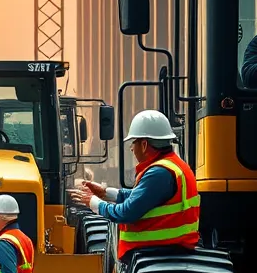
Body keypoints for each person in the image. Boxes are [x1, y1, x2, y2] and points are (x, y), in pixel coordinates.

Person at [70, 109, 199, 261]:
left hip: (158, 251)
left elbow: (125, 213)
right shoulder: (172, 166)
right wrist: (105, 193)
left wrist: (94, 203)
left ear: (144, 144)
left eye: (133, 143)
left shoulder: (158, 173)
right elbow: (145, 197)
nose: (131, 148)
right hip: (172, 246)